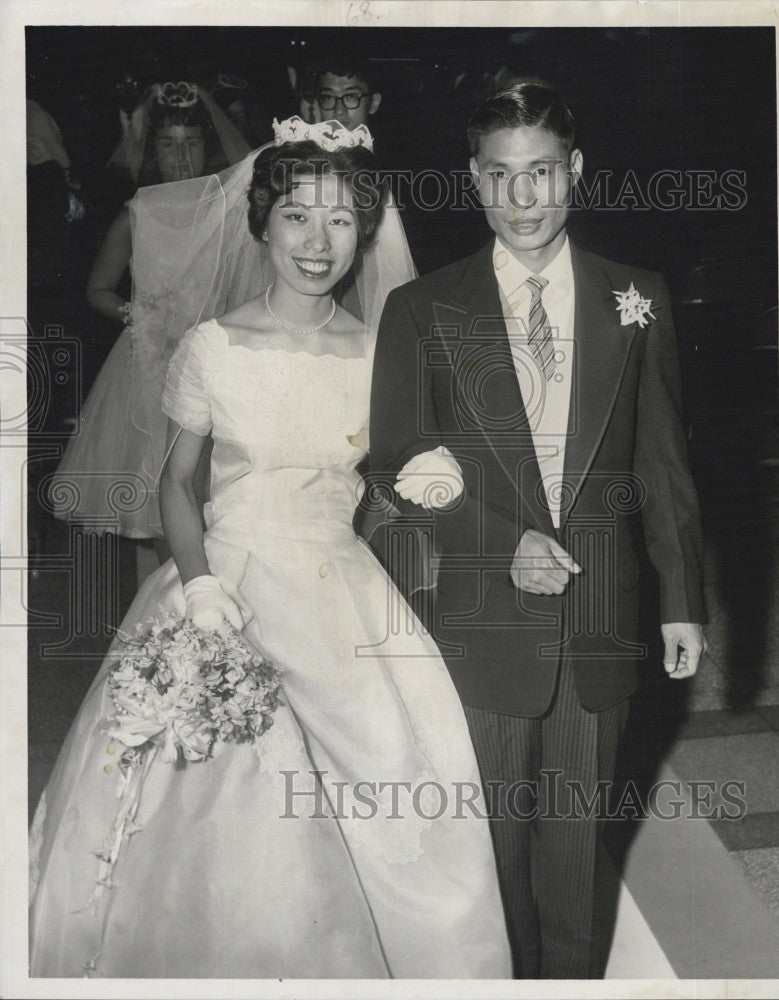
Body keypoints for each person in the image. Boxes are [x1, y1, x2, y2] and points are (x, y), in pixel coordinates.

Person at [28, 118, 512, 980]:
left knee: (394, 781)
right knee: (229, 807)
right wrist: (204, 587)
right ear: (262, 223)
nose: (317, 242)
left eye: (338, 221)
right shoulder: (213, 347)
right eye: (297, 216)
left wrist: (429, 479)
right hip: (229, 585)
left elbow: (391, 477)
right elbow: (177, 485)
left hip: (340, 590)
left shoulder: (379, 347)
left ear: (365, 232)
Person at [368, 83, 708, 979]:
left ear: (577, 173)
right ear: (474, 184)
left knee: (575, 851)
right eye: (501, 177)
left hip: (603, 622)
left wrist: (681, 598)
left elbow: (662, 462)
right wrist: (497, 543)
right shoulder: (423, 309)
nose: (524, 200)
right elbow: (394, 465)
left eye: (542, 173)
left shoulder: (637, 296)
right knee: (493, 857)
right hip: (480, 625)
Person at [49, 82, 251, 539]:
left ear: (209, 147)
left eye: (192, 144)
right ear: (151, 151)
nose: (181, 158)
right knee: (151, 496)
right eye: (167, 145)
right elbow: (98, 288)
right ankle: (161, 603)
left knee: (211, 494)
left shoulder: (228, 212)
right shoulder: (137, 214)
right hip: (151, 361)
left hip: (214, 359)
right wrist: (138, 315)